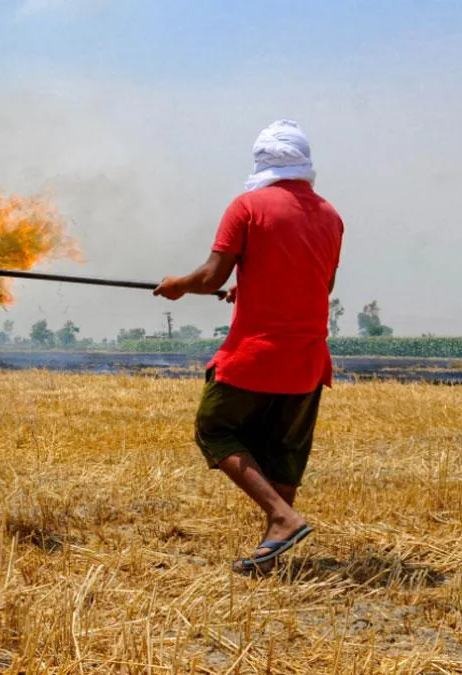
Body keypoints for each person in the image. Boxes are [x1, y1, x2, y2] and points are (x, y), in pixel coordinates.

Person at [153, 120, 344, 575]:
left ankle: (282, 517)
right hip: (307, 360)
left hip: (256, 356)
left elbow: (212, 277)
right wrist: (250, 286)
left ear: (262, 161)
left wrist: (180, 284)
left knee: (213, 429)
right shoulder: (331, 216)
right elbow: (319, 284)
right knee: (283, 451)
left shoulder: (248, 207)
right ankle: (270, 553)